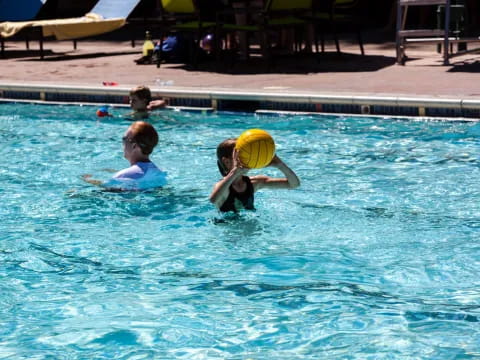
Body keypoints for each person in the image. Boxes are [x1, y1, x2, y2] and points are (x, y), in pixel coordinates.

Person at [209, 138, 300, 212]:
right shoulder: (222, 187)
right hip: (227, 232)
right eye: (242, 156)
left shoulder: (254, 183)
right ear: (227, 161)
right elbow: (213, 200)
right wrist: (234, 172)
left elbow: (294, 184)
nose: (248, 160)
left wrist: (280, 165)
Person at [83, 121, 167, 191]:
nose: (122, 144)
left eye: (124, 139)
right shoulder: (158, 172)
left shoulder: (124, 175)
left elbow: (106, 188)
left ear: (134, 146)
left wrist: (87, 180)